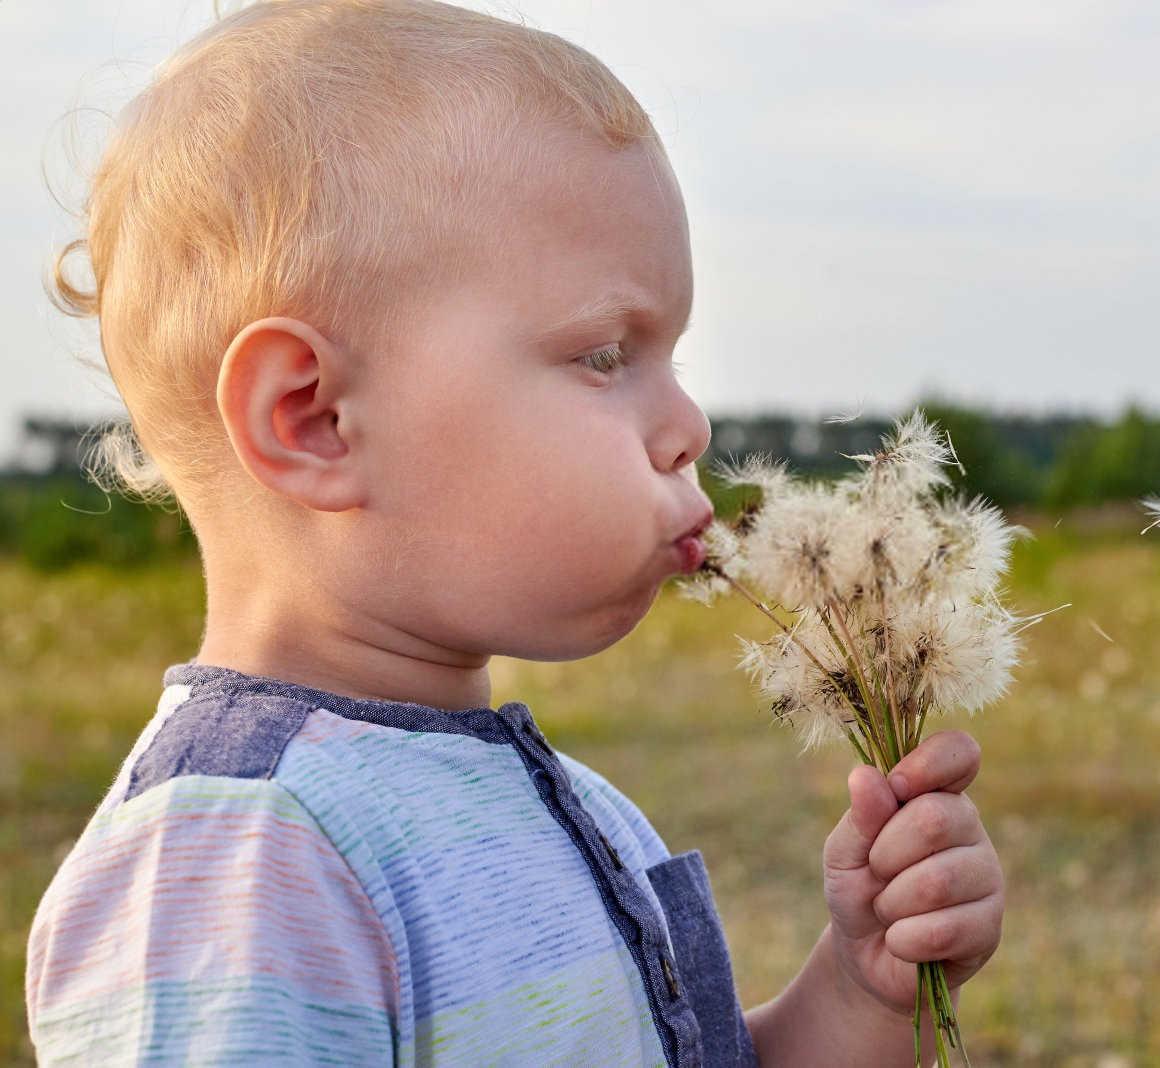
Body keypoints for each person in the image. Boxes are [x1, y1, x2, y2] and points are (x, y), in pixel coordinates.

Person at [25, 2, 1005, 1063]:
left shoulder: (562, 803)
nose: (689, 426)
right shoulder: (238, 863)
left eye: (669, 356)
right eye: (602, 355)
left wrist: (858, 997)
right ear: (312, 418)